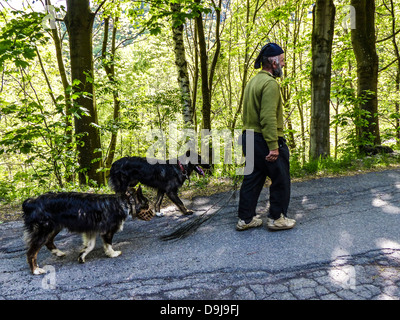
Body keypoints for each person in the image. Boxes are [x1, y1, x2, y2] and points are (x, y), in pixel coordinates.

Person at [236, 43, 296, 231]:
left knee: (253, 177)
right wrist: (273, 146)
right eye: (283, 60)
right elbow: (268, 117)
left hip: (249, 137)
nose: (284, 64)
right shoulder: (270, 84)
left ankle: (245, 219)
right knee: (280, 178)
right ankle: (277, 218)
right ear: (273, 62)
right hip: (265, 138)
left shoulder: (253, 81)